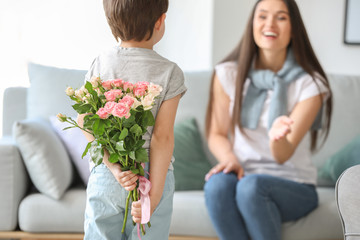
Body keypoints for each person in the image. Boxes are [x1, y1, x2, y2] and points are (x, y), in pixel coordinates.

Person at [204, 0, 332, 240]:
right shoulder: (228, 74)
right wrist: (230, 159)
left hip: (295, 186)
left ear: (294, 28)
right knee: (217, 186)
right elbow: (217, 133)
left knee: (251, 188)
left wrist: (278, 137)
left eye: (281, 17)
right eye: (262, 16)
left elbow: (283, 154)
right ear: (252, 23)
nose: (270, 24)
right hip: (243, 175)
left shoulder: (311, 84)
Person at [78, 0, 187, 239]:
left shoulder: (101, 63)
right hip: (152, 177)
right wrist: (154, 196)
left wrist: (114, 168)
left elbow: (84, 120)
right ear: (160, 21)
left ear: (111, 22)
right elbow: (162, 137)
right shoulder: (170, 72)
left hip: (108, 176)